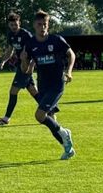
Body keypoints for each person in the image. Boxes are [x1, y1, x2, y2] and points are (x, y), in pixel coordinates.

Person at [21, 10, 76, 160]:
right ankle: (68, 147)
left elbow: (71, 54)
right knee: (51, 119)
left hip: (56, 84)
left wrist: (69, 71)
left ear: (48, 25)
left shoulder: (56, 40)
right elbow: (25, 69)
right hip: (43, 85)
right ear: (34, 26)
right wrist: (23, 59)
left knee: (40, 115)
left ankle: (65, 134)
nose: (42, 27)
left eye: (45, 24)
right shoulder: (31, 44)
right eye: (39, 24)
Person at [0, 12, 55, 126]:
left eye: (15, 24)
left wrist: (31, 65)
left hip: (25, 67)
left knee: (13, 91)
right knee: (33, 91)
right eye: (12, 25)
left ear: (19, 23)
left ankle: (6, 118)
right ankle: (50, 111)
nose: (14, 27)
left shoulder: (26, 35)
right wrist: (3, 61)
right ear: (9, 25)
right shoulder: (10, 35)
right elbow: (10, 50)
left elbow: (34, 50)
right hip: (21, 66)